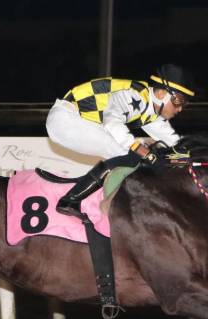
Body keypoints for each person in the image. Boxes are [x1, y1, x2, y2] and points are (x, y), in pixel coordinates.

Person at [46, 63, 196, 217]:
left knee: (130, 155)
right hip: (66, 119)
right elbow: (112, 122)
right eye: (178, 101)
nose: (180, 109)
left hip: (73, 120)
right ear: (161, 94)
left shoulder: (151, 110)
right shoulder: (134, 95)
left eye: (185, 104)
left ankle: (77, 199)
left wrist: (195, 154)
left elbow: (174, 141)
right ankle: (71, 200)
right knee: (128, 154)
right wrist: (144, 152)